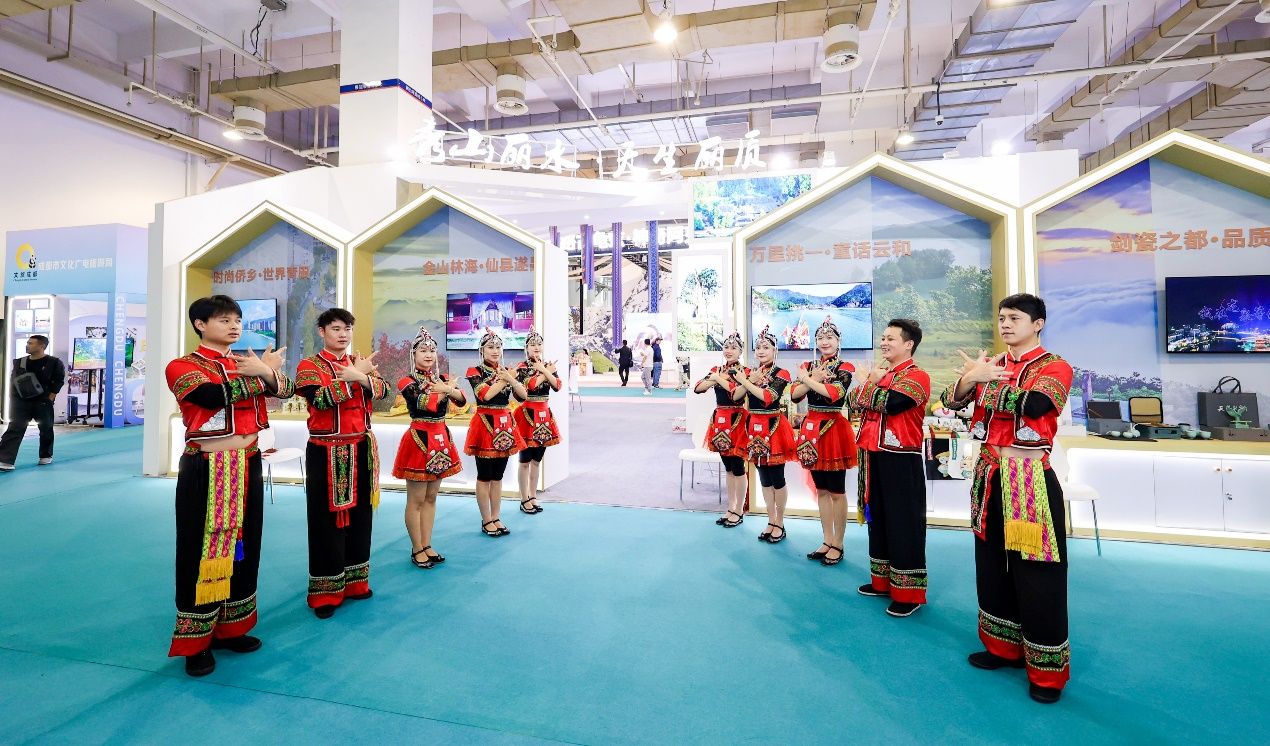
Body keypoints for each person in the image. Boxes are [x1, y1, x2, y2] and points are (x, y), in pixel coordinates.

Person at [942, 294, 1073, 704]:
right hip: (988, 473)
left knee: (1037, 574)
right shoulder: (993, 364)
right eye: (1001, 318)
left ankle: (1046, 672)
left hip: (1027, 479)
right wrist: (971, 378)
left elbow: (1037, 404)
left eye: (1014, 318)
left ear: (1038, 324)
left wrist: (984, 380)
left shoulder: (1055, 366)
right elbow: (949, 400)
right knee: (991, 565)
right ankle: (1003, 648)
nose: (1005, 324)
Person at [163, 295, 294, 677]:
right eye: (224, 319)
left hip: (248, 461)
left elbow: (286, 390)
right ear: (200, 324)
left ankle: (231, 628)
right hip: (207, 467)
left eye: (237, 319)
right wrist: (261, 374)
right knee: (199, 550)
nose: (234, 325)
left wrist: (265, 371)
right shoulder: (183, 365)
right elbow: (210, 396)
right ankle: (196, 642)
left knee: (244, 547)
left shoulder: (243, 362)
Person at [294, 308, 391, 618]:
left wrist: (360, 375)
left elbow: (385, 392)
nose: (343, 334)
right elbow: (320, 400)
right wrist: (353, 379)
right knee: (325, 522)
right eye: (336, 328)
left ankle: (355, 584)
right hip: (325, 451)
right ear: (322, 332)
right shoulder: (309, 366)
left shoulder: (358, 362)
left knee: (361, 518)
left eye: (347, 328)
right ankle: (325, 593)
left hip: (361, 447)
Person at [851, 319, 931, 618]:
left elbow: (893, 403)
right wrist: (870, 385)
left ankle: (908, 594)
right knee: (880, 520)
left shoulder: (917, 376)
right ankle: (883, 582)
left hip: (900, 458)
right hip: (873, 456)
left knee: (904, 524)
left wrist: (868, 384)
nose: (884, 343)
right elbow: (852, 401)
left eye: (891, 339)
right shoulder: (882, 374)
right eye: (883, 338)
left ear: (909, 344)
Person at [393, 326, 466, 568]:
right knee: (416, 498)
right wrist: (447, 391)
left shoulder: (442, 379)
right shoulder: (407, 381)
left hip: (441, 438)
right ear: (413, 354)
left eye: (432, 350)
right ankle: (417, 548)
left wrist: (448, 389)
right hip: (419, 439)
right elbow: (424, 403)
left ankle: (427, 543)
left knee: (432, 497)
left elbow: (462, 400)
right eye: (423, 350)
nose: (428, 354)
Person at [790, 317, 858, 568]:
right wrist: (809, 378)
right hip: (811, 430)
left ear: (839, 341)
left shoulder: (845, 367)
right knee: (821, 490)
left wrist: (808, 379)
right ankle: (827, 539)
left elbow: (835, 394)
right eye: (820, 338)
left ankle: (838, 542)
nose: (824, 342)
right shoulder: (810, 365)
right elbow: (794, 395)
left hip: (833, 429)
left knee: (837, 490)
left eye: (829, 337)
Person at [732, 325, 796, 544]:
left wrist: (746, 381)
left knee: (777, 477)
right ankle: (770, 519)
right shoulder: (750, 373)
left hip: (774, 427)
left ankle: (780, 522)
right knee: (763, 477)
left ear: (774, 350)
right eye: (758, 347)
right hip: (753, 427)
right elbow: (736, 396)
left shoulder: (782, 373)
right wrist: (748, 380)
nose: (761, 351)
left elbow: (768, 397)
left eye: (766, 347)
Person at [465, 328, 528, 536]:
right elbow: (485, 395)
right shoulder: (474, 371)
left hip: (505, 425)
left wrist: (511, 379)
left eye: (498, 347)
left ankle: (496, 516)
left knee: (498, 476)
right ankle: (486, 520)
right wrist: (506, 379)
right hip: (485, 425)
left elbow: (523, 396)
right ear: (481, 350)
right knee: (484, 475)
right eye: (490, 347)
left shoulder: (505, 372)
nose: (495, 351)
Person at [695, 331, 750, 527]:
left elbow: (735, 393)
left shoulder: (745, 372)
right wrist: (717, 378)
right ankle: (731, 507)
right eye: (726, 347)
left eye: (734, 348)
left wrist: (717, 379)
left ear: (740, 351)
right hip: (720, 420)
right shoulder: (717, 369)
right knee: (727, 467)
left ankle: (739, 509)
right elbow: (698, 388)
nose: (729, 351)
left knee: (738, 467)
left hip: (737, 420)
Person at [0, 335, 65, 471]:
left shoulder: (53, 362)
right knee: (14, 428)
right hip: (21, 402)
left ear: (42, 346)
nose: (27, 345)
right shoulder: (19, 362)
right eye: (28, 343)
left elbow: (59, 380)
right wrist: (14, 398)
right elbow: (13, 381)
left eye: (31, 343)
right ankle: (5, 460)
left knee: (46, 428)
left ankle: (46, 455)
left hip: (42, 402)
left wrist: (50, 397)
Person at [515, 328, 561, 514]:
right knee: (524, 461)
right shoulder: (522, 367)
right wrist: (545, 371)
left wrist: (544, 370)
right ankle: (523, 498)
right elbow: (530, 386)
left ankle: (533, 496)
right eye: (533, 344)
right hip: (527, 416)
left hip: (544, 416)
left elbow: (557, 385)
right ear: (526, 347)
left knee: (536, 460)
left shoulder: (548, 365)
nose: (536, 347)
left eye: (539, 344)